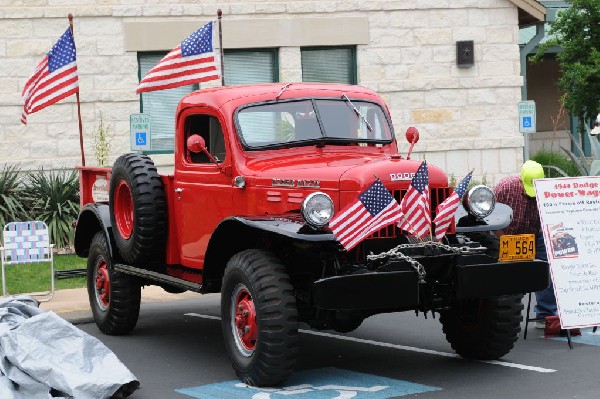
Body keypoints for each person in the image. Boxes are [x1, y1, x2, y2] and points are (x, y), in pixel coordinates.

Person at [493, 160, 557, 328]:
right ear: (521, 180)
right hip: (506, 235)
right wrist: (504, 239)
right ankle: (503, 314)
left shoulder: (547, 190)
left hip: (535, 234)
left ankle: (546, 314)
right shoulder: (505, 188)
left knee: (546, 269)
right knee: (506, 275)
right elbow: (489, 216)